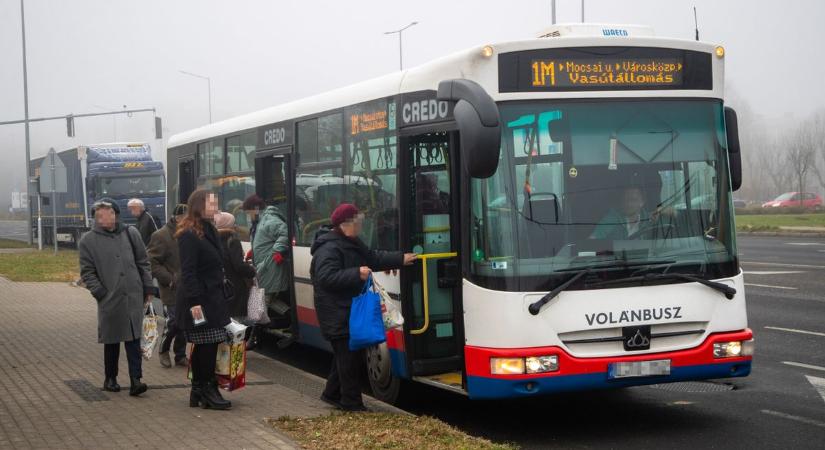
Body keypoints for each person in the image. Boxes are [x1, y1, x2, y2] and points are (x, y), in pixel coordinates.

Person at [310, 203, 416, 411]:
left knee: (346, 355)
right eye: (358, 222)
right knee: (349, 359)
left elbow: (373, 258)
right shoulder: (329, 248)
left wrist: (400, 259)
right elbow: (325, 278)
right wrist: (356, 273)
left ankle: (331, 394)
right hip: (336, 311)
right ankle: (352, 403)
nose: (361, 226)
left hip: (348, 309)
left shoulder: (351, 241)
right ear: (345, 224)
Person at [78, 197, 153, 396]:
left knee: (134, 339)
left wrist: (147, 288)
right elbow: (87, 272)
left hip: (133, 295)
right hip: (109, 297)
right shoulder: (88, 241)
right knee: (112, 340)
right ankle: (110, 378)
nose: (106, 218)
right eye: (100, 215)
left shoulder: (131, 233)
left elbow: (143, 262)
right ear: (95, 217)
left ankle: (136, 380)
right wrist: (100, 292)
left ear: (116, 214)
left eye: (109, 213)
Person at [176, 190, 232, 410]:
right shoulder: (188, 234)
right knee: (206, 345)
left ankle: (199, 390)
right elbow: (188, 272)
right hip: (199, 300)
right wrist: (196, 303)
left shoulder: (209, 229)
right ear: (199, 205)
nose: (216, 207)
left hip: (213, 298)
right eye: (212, 204)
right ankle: (207, 389)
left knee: (206, 345)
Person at [147, 203, 188, 368]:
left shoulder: (190, 233)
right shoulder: (161, 235)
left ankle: (180, 355)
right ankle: (163, 350)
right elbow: (152, 262)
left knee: (185, 323)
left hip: (188, 287)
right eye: (187, 218)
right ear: (178, 218)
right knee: (174, 322)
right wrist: (169, 279)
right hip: (171, 288)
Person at [251, 200, 291, 347]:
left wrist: (278, 250)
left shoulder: (268, 219)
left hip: (270, 266)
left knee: (258, 303)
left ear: (255, 208)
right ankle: (289, 316)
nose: (249, 216)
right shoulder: (262, 220)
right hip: (265, 266)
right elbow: (265, 241)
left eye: (249, 212)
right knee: (268, 300)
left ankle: (254, 338)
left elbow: (285, 232)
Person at [215, 211, 257, 322]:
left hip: (221, 288)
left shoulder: (213, 240)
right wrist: (252, 271)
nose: (235, 226)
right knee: (240, 321)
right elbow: (238, 266)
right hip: (235, 288)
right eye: (233, 223)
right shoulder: (232, 241)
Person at [590, 185, 664, 240]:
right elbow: (593, 239)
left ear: (642, 202)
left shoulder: (648, 219)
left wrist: (664, 210)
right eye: (626, 200)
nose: (628, 204)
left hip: (644, 259)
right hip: (615, 259)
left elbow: (669, 213)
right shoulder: (613, 218)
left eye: (633, 200)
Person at [242, 194, 266, 261]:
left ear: (256, 209)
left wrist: (277, 251)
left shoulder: (267, 221)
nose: (248, 216)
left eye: (248, 213)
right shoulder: (255, 224)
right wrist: (254, 251)